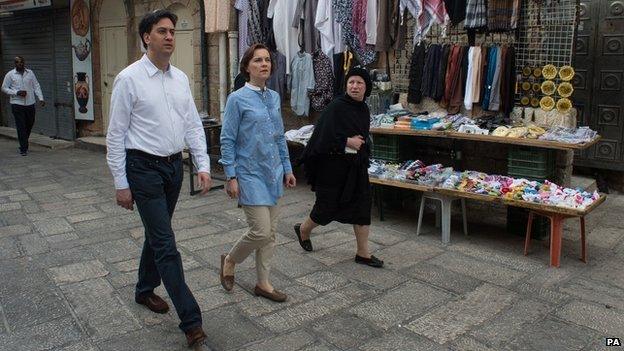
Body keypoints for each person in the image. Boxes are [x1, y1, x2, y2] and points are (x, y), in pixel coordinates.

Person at [105, 10, 212, 348]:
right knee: (166, 244)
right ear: (146, 37)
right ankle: (191, 322)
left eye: (172, 31)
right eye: (162, 31)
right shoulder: (128, 78)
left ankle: (143, 289)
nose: (169, 36)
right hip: (143, 169)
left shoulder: (180, 78)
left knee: (157, 233)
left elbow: (193, 124)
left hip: (172, 169)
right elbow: (115, 134)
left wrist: (203, 164)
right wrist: (121, 182)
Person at [219, 43, 297, 302]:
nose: (264, 64)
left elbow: (279, 136)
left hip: (272, 172)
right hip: (249, 173)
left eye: (267, 60)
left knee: (271, 233)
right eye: (257, 60)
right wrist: (230, 175)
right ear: (247, 67)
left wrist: (287, 168)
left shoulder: (274, 97)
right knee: (260, 230)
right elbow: (228, 139)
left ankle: (263, 283)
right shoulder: (237, 99)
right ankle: (230, 259)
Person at [295, 67, 384, 268]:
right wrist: (346, 141)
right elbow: (321, 136)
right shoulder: (336, 107)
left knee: (362, 205)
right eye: (351, 82)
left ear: (366, 87)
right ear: (346, 85)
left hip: (356, 166)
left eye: (359, 83)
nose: (354, 86)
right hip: (332, 167)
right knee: (326, 209)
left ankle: (363, 253)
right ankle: (303, 229)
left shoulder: (363, 109)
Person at [1, 56, 45, 156]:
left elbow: (36, 85)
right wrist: (17, 92)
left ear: (24, 63)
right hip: (17, 104)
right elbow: (4, 88)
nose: (20, 64)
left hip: (30, 103)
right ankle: (23, 148)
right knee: (21, 126)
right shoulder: (10, 74)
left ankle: (24, 140)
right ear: (15, 63)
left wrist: (41, 98)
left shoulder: (30, 73)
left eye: (21, 62)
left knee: (30, 123)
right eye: (17, 62)